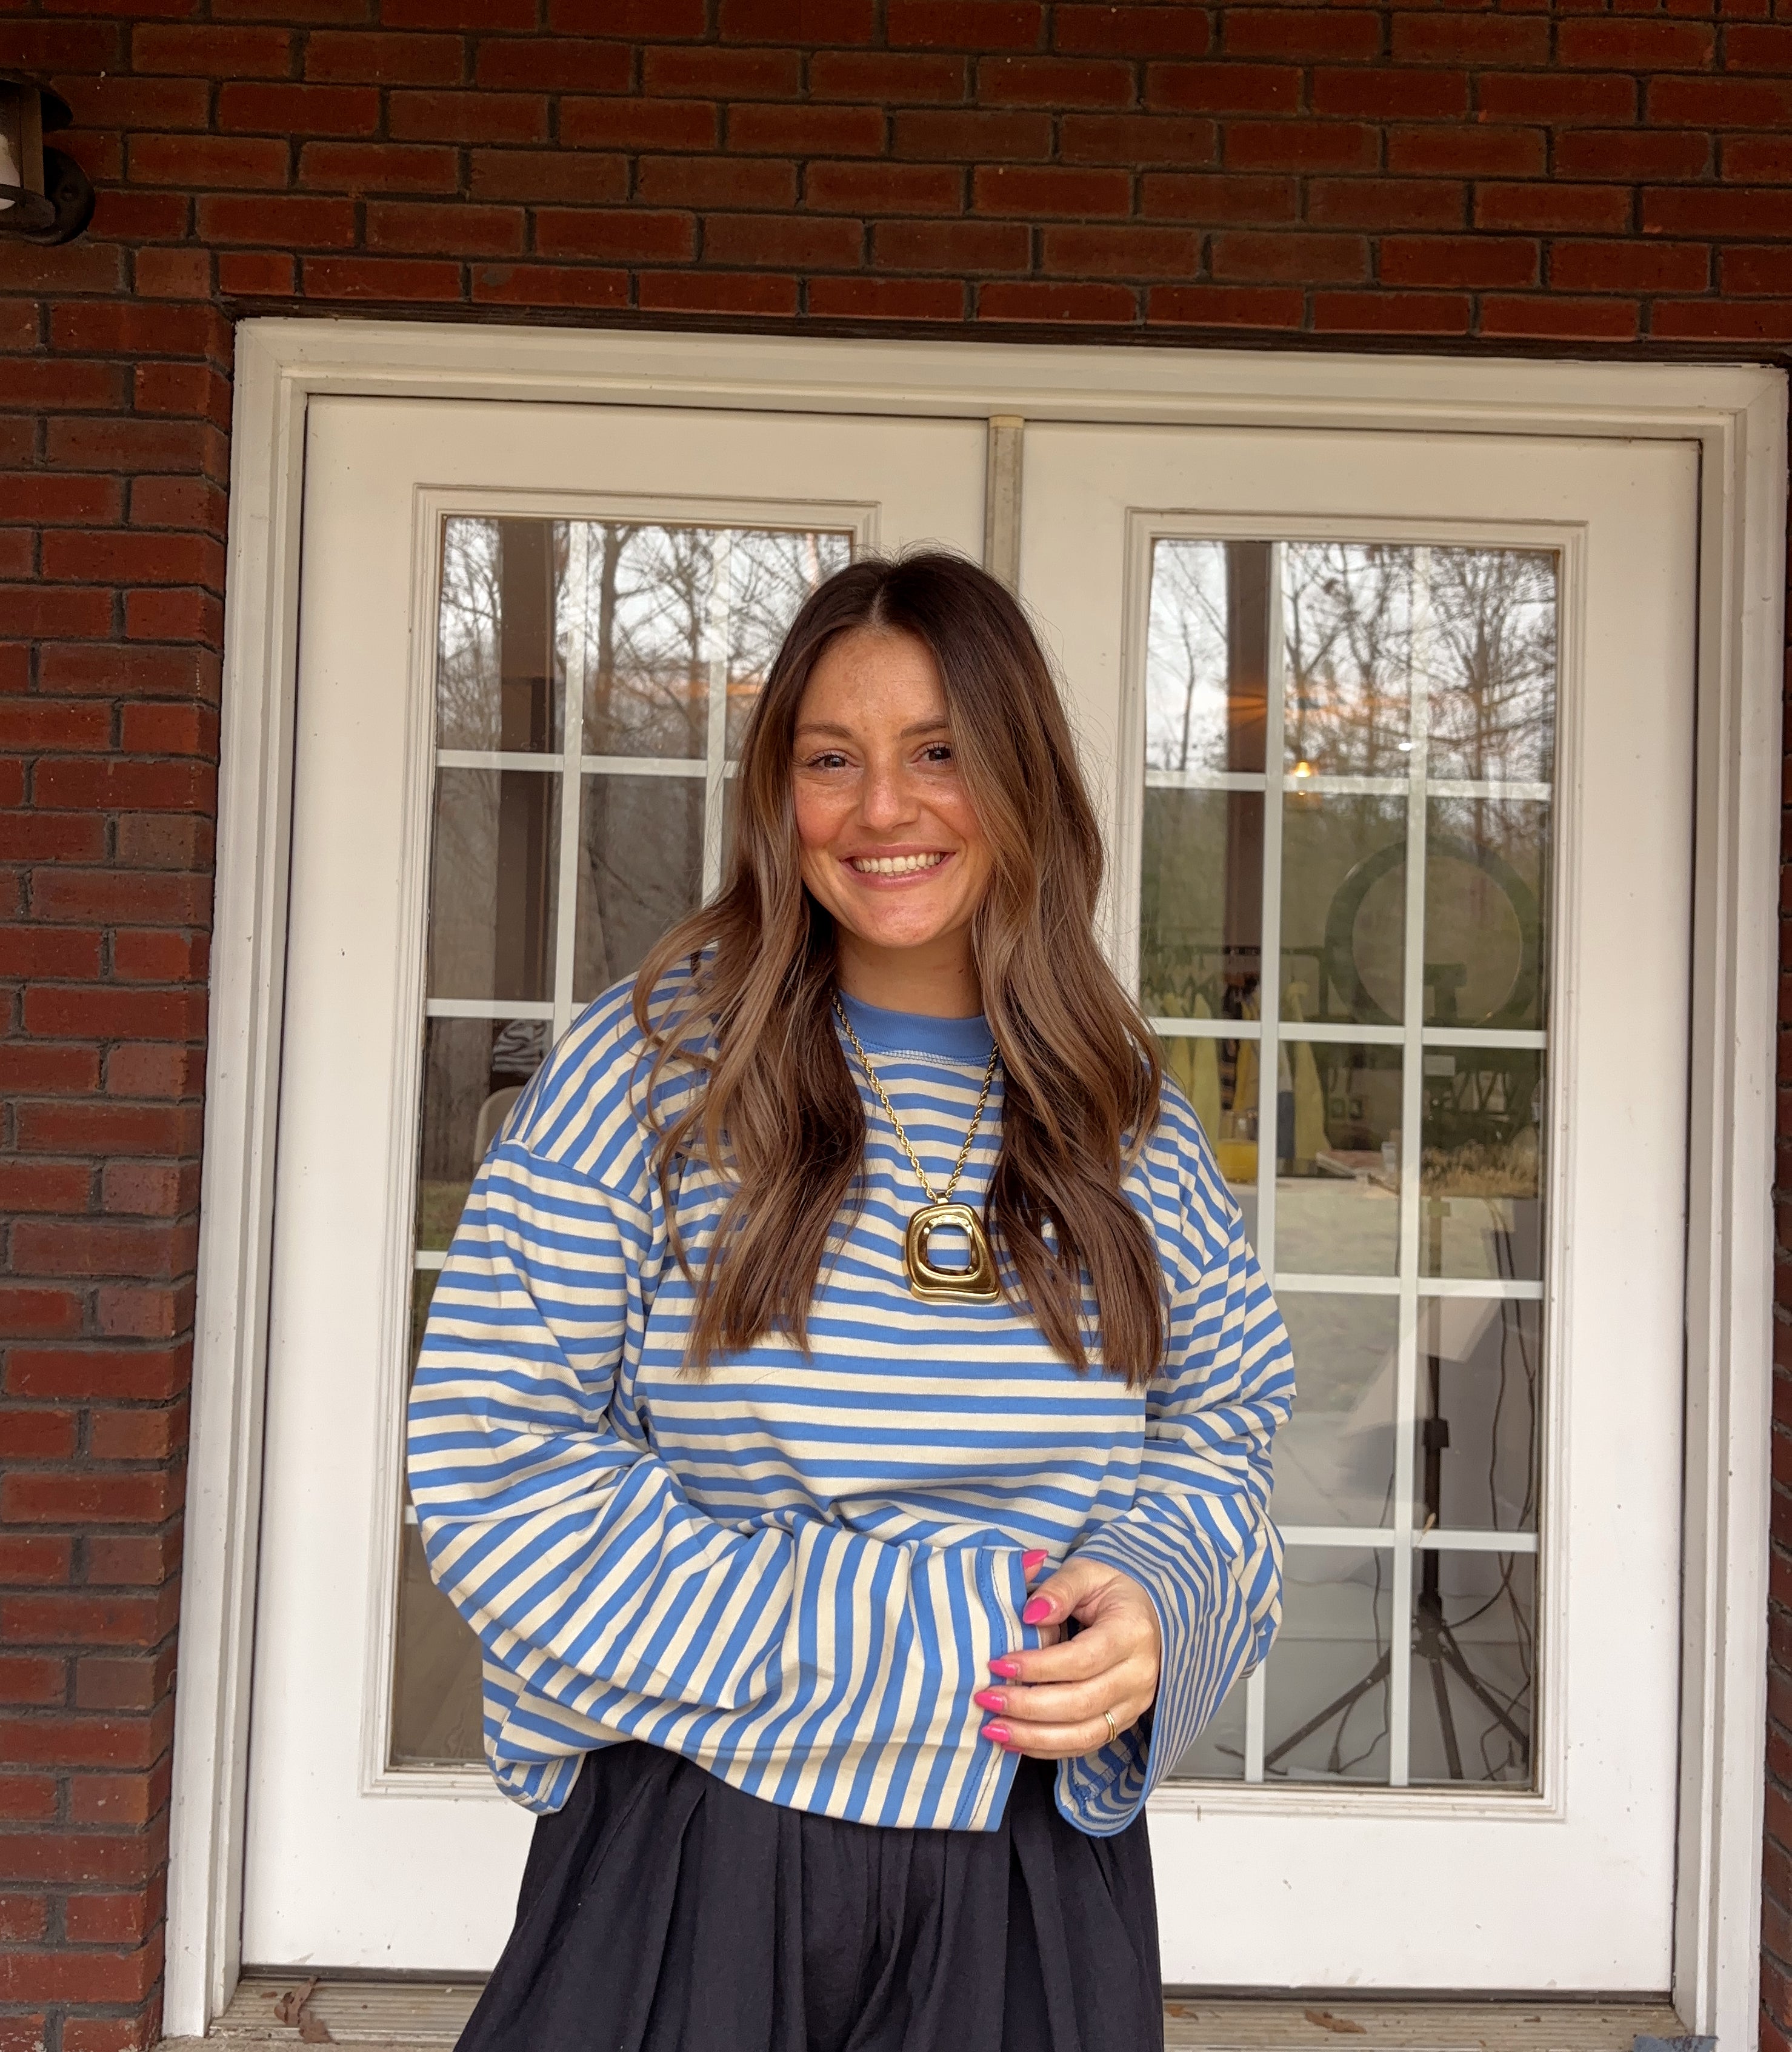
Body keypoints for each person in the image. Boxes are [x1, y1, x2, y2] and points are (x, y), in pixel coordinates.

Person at [407, 552, 1294, 2052]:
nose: (884, 809)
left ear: (1022, 781)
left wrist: (1157, 1599)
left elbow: (1226, 1423)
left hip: (1030, 1869)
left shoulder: (1119, 1117)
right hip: (700, 1847)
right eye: (834, 760)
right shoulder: (644, 1074)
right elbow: (499, 1461)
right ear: (781, 796)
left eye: (939, 752)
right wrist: (942, 1637)